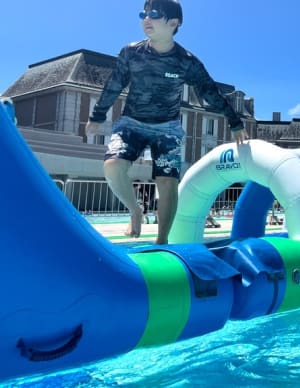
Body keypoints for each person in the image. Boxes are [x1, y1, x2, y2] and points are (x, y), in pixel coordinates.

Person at [86, 0, 248, 244]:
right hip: (131, 123)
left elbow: (210, 92)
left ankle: (162, 240)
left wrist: (234, 122)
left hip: (167, 129)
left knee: (167, 182)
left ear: (174, 23)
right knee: (113, 166)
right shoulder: (131, 53)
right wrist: (97, 116)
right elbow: (114, 85)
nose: (146, 19)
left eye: (153, 14)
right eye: (143, 14)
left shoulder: (187, 61)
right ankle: (135, 210)